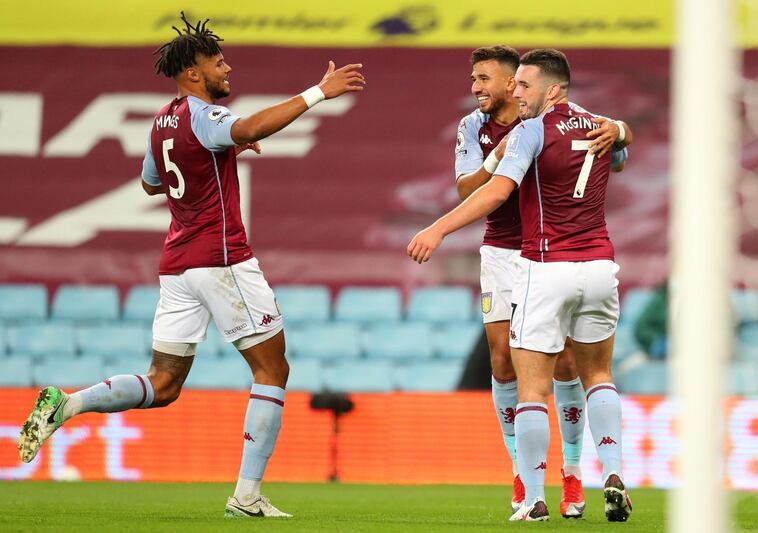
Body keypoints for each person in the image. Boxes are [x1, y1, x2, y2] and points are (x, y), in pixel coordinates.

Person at [17, 12, 365, 519]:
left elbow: (151, 182)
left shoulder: (161, 121)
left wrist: (219, 152)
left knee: (163, 385)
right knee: (272, 368)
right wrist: (318, 92)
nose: (228, 70)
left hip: (177, 264)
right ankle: (247, 496)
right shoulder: (207, 116)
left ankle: (66, 405)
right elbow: (244, 124)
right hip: (221, 259)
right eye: (219, 62)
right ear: (195, 72)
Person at [409, 48, 631, 522]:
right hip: (516, 253)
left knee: (562, 367)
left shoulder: (535, 127)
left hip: (541, 257)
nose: (477, 87)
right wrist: (500, 154)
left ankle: (565, 477)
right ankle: (528, 468)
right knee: (504, 360)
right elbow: (470, 188)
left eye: (486, 78)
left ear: (516, 83)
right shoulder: (475, 128)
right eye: (474, 79)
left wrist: (437, 229)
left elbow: (498, 191)